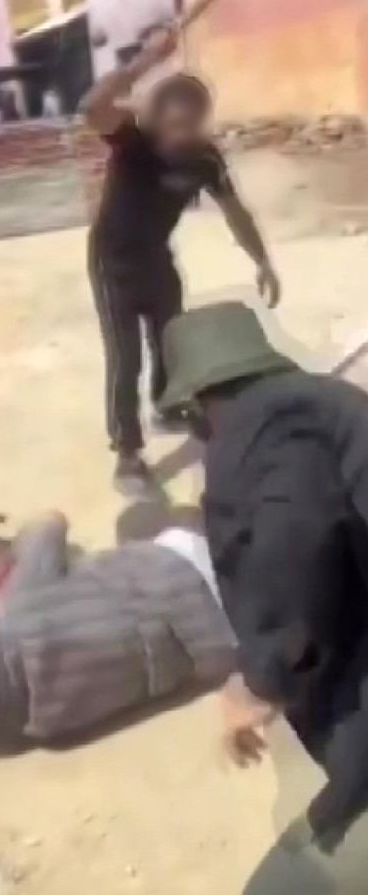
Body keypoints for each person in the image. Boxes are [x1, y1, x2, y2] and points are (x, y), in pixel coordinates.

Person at [159, 300, 368, 888]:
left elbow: (296, 536)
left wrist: (260, 682)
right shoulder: (333, 405)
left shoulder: (255, 432)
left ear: (197, 401)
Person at [81, 25, 281, 497]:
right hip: (113, 262)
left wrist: (262, 261)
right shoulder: (132, 140)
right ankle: (127, 453)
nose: (182, 136)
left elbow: (235, 211)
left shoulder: (205, 158)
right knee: (125, 356)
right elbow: (91, 107)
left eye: (192, 125)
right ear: (156, 119)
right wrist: (146, 60)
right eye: (174, 125)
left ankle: (167, 406)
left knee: (172, 339)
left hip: (155, 256)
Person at [0, 511, 236, 742]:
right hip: (189, 573)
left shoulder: (38, 723)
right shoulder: (20, 602)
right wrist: (6, 569)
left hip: (216, 644)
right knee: (152, 520)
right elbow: (50, 523)